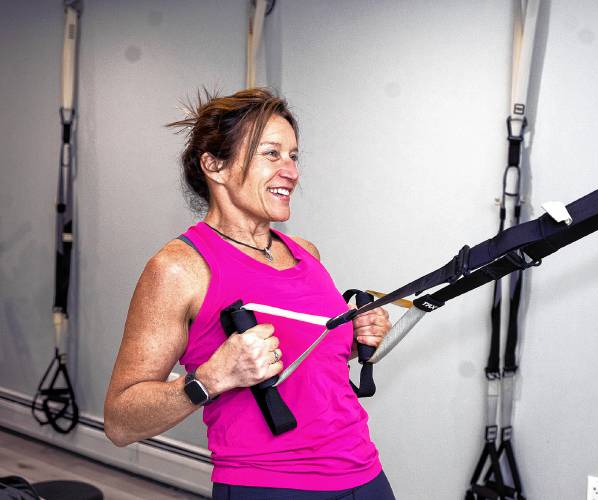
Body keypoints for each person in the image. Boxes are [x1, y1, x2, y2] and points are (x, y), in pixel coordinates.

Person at [104, 88, 395, 499]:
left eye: (294, 156)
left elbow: (309, 363)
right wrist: (210, 378)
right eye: (271, 154)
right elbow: (120, 421)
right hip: (269, 485)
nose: (291, 171)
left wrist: (356, 334)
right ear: (215, 165)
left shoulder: (305, 254)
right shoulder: (179, 268)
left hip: (364, 474)